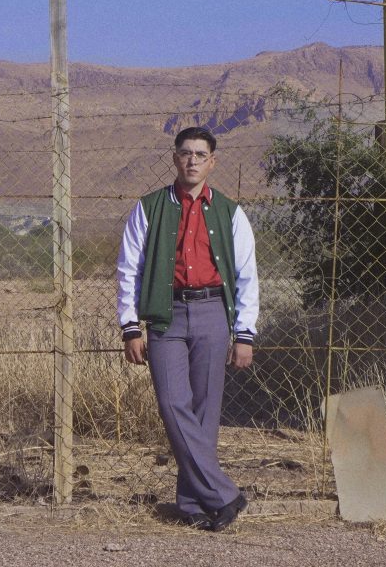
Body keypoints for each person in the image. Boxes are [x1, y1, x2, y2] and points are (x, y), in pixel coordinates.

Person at [116, 126, 259, 531]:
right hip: (166, 315)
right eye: (185, 153)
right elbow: (129, 269)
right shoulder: (149, 208)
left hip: (215, 314)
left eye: (201, 154)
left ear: (212, 161)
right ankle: (226, 495)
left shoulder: (231, 212)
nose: (192, 160)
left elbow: (247, 275)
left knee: (204, 412)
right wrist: (130, 326)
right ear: (174, 158)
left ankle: (195, 505)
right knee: (172, 404)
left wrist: (244, 334)